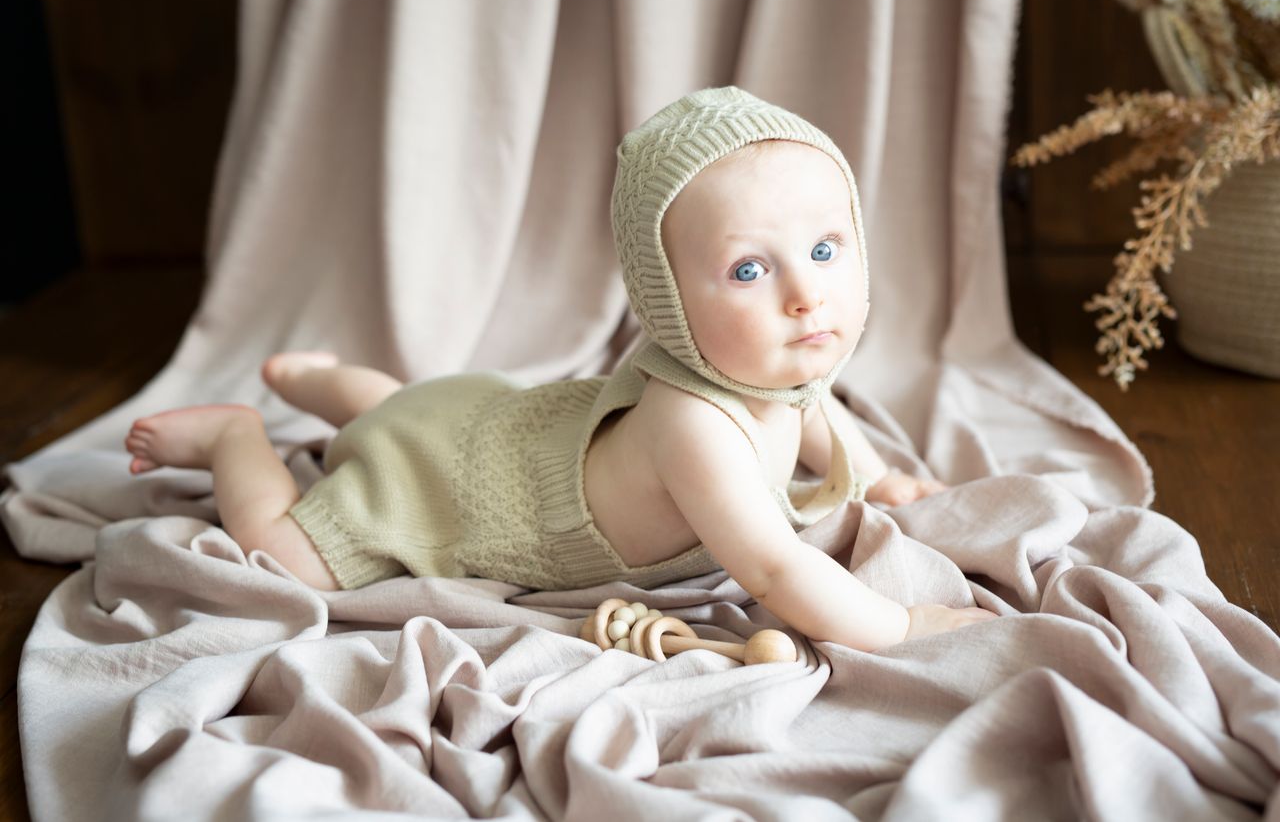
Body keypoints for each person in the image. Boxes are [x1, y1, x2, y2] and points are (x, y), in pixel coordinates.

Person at [124, 87, 994, 651]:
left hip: (498, 418)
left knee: (409, 412)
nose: (806, 295)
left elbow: (812, 408)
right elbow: (774, 570)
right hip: (469, 489)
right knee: (288, 550)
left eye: (825, 248)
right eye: (748, 270)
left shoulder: (770, 360)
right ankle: (237, 436)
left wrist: (877, 478)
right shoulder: (695, 425)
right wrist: (903, 624)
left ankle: (327, 381)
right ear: (665, 298)